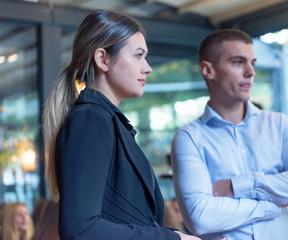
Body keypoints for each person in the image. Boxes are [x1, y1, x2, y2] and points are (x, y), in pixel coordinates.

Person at [42, 9, 201, 240]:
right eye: (138, 55)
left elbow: (127, 220)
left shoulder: (105, 120)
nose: (147, 68)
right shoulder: (91, 119)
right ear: (102, 59)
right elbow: (80, 230)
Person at [171, 29, 288, 240]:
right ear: (208, 70)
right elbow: (200, 217)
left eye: (252, 63)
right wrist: (270, 206)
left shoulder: (279, 125)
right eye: (238, 62)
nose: (251, 72)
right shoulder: (188, 138)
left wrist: (238, 186)